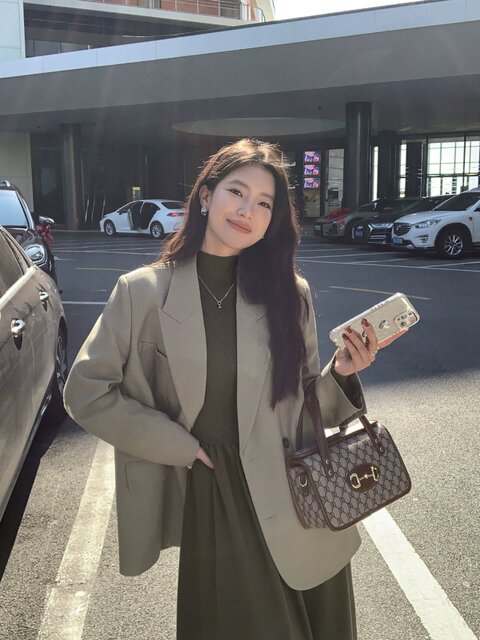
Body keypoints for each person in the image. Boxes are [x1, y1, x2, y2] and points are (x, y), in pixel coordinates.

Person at [63, 138, 403, 640]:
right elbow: (85, 392)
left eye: (264, 203)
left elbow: (308, 404)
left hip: (300, 493)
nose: (248, 211)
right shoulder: (143, 292)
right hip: (219, 494)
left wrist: (344, 371)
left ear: (273, 220)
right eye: (237, 192)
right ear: (206, 195)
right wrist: (177, 445)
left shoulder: (290, 294)